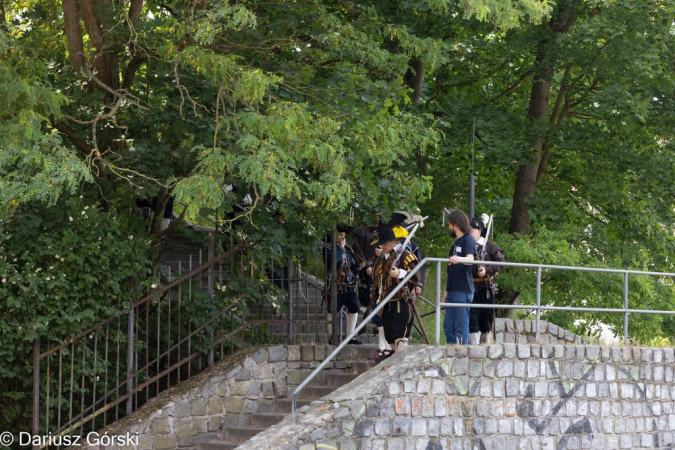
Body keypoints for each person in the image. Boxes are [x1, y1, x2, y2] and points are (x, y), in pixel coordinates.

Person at [371, 227, 421, 353]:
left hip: (401, 300)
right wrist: (379, 300)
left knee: (400, 335)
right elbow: (382, 282)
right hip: (387, 301)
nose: (382, 246)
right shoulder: (384, 258)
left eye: (385, 243)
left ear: (393, 241)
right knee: (390, 337)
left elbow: (416, 276)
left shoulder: (405, 255)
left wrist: (400, 273)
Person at [468, 217, 505, 344]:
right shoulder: (466, 246)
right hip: (469, 287)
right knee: (472, 320)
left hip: (485, 288)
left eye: (471, 230)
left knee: (486, 321)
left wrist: (487, 269)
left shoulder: (490, 246)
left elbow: (501, 263)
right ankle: (474, 347)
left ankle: (485, 348)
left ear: (478, 231)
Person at [442, 209, 476, 345]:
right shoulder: (456, 243)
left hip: (463, 289)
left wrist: (458, 258)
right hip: (452, 290)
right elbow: (451, 270)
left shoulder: (468, 239)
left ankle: (462, 354)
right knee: (448, 326)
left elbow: (470, 259)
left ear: (456, 224)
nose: (449, 226)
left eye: (450, 223)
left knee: (460, 327)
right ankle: (451, 351)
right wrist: (446, 290)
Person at [326, 224, 362, 345]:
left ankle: (350, 337)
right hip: (336, 285)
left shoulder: (346, 249)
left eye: (343, 236)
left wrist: (359, 267)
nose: (342, 238)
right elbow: (333, 261)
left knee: (355, 308)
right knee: (332, 310)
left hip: (349, 284)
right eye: (340, 235)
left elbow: (351, 264)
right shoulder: (328, 248)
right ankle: (332, 337)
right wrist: (340, 248)